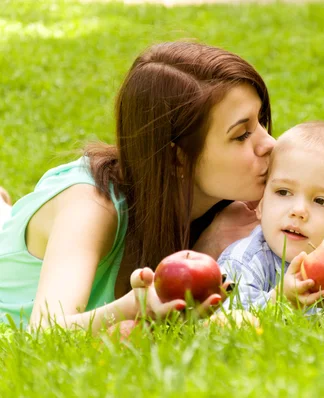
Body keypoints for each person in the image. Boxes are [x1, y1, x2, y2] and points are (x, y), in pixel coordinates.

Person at [0, 41, 276, 332]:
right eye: (242, 135)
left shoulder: (238, 209)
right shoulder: (92, 205)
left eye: (261, 121)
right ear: (176, 158)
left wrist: (208, 244)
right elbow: (44, 331)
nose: (269, 143)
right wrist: (135, 305)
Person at [218, 121, 324, 311]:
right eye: (283, 192)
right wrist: (280, 299)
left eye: (321, 201)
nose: (298, 211)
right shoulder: (243, 260)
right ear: (261, 203)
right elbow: (226, 321)